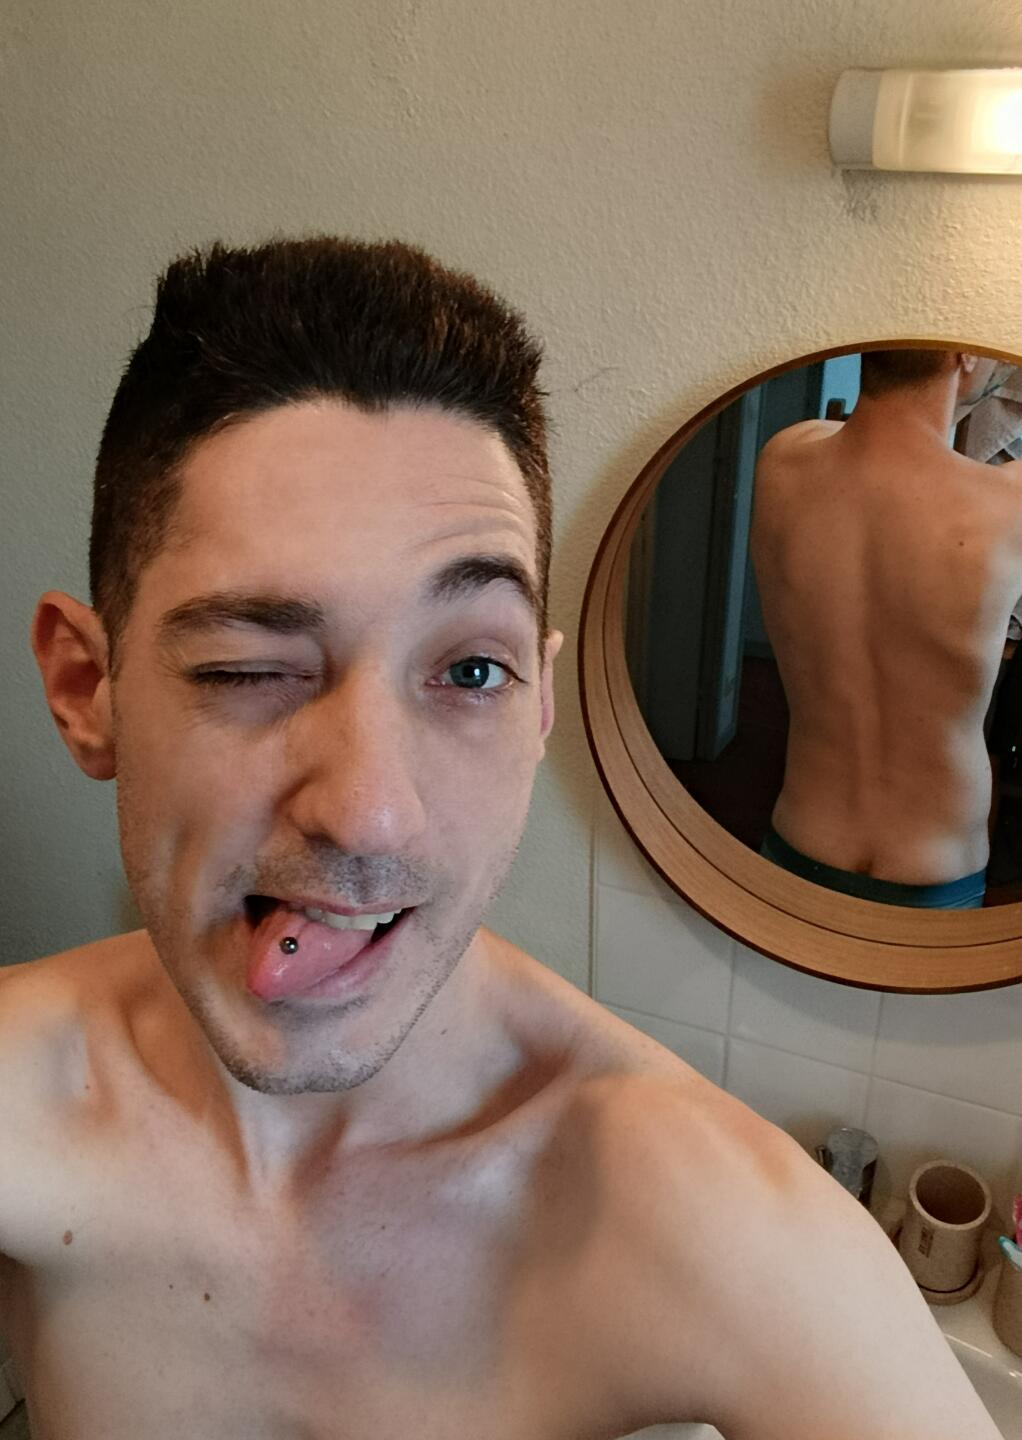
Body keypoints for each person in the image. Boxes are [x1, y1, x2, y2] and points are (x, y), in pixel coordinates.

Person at [1, 242, 999, 1439]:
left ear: (536, 710)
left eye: (471, 670)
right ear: (86, 688)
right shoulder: (21, 1102)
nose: (370, 812)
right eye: (247, 668)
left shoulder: (718, 1229)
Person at [751, 348, 1022, 909]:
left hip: (800, 841)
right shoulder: (1010, 504)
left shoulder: (783, 458)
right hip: (936, 869)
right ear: (966, 351)